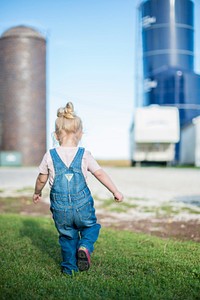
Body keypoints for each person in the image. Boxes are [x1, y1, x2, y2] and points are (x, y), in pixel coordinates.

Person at [32, 102, 123, 277]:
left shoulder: (49, 155)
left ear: (56, 135)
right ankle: (85, 246)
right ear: (80, 134)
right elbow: (100, 174)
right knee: (91, 227)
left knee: (67, 237)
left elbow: (41, 178)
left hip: (60, 208)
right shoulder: (84, 155)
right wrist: (115, 191)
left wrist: (37, 192)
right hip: (83, 205)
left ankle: (69, 269)